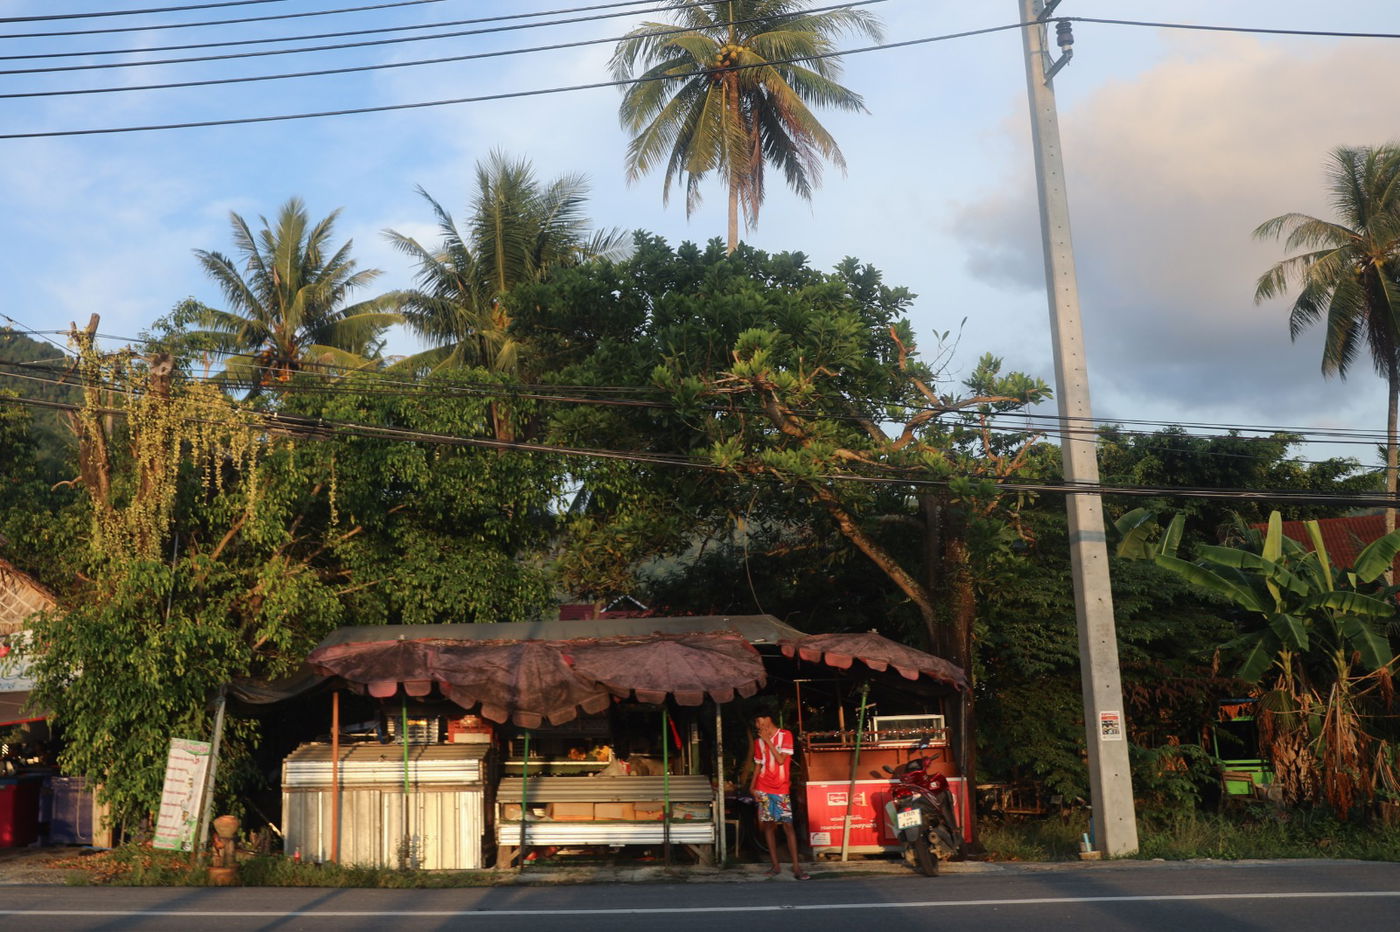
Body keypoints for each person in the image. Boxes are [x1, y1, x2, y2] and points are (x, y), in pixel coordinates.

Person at [750, 710, 810, 880]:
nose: (758, 726)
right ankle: (775, 865)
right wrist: (752, 787)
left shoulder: (785, 735)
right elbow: (758, 765)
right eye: (756, 723)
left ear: (768, 719)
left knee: (787, 825)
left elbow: (781, 760)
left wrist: (767, 740)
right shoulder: (758, 742)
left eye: (760, 721)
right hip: (763, 787)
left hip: (781, 788)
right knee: (768, 826)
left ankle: (796, 867)